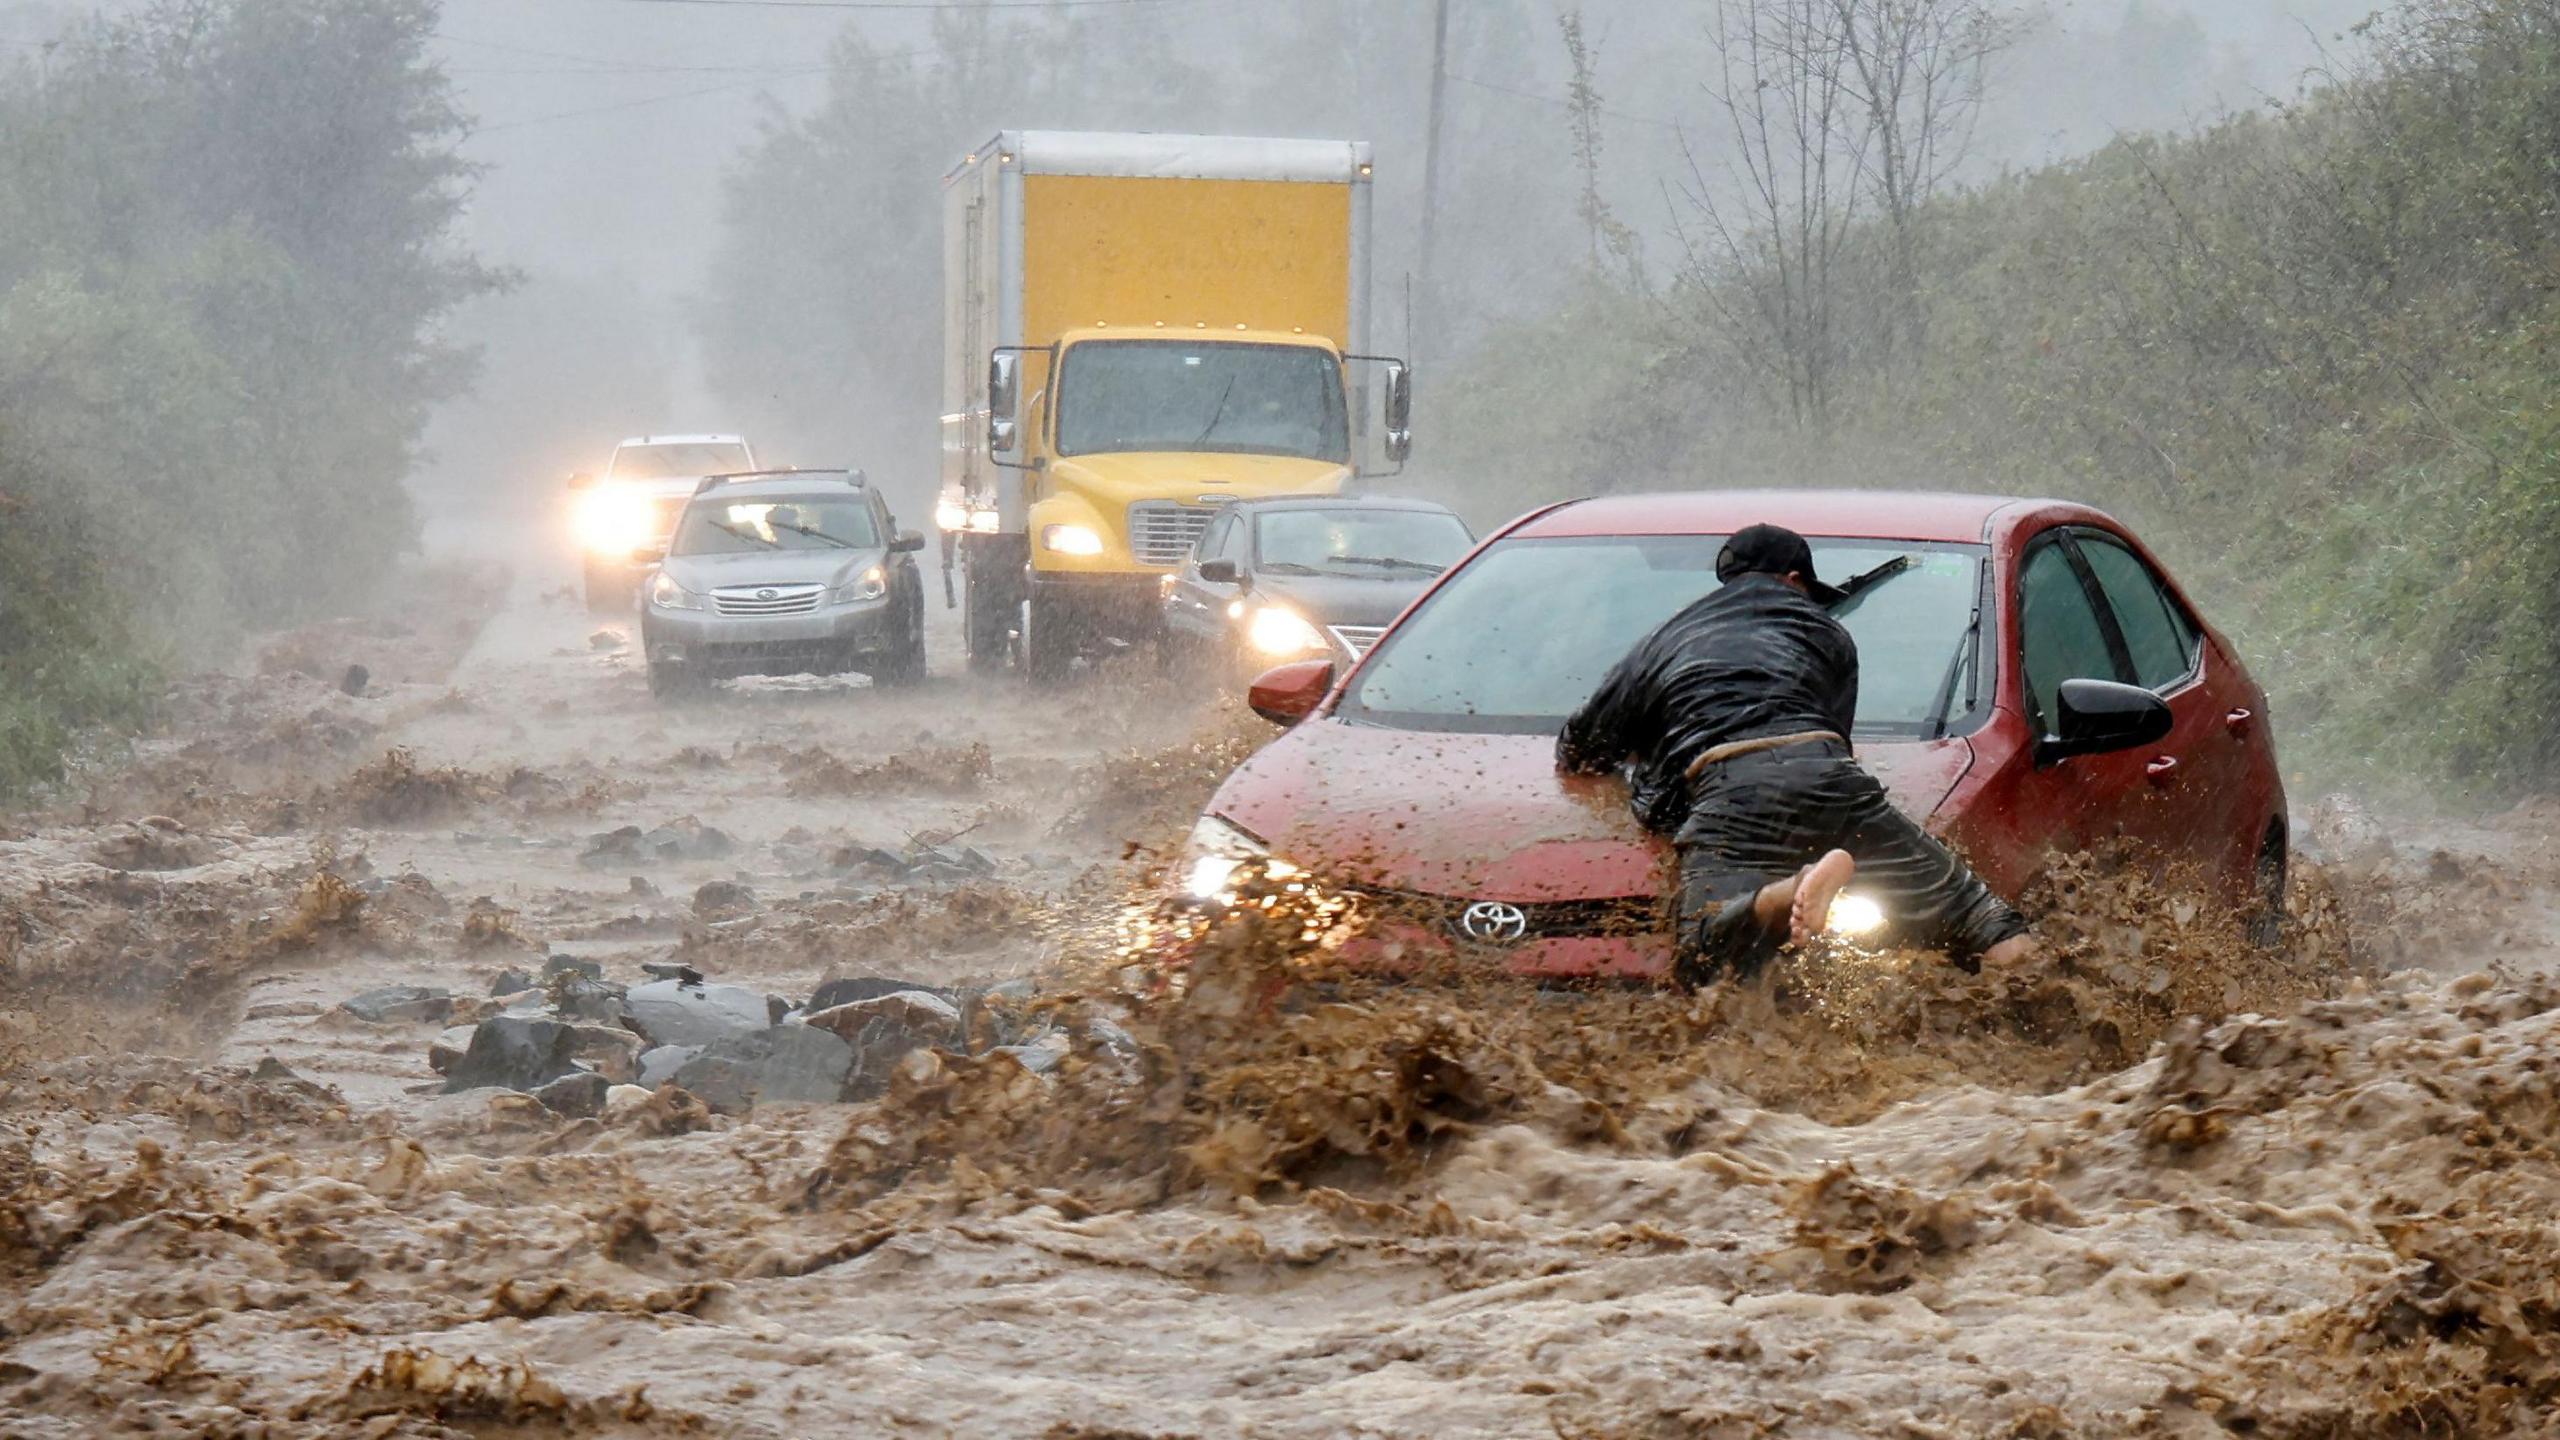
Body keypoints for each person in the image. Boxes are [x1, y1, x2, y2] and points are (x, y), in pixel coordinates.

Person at [1556, 523, 2035, 985]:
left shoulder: (1663, 642)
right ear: (1795, 580)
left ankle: (1788, 892)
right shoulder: (1829, 634)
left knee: (1700, 953)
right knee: (1977, 914)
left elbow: (1580, 747)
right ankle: (2041, 995)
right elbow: (1833, 740)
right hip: (1827, 768)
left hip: (1731, 785)